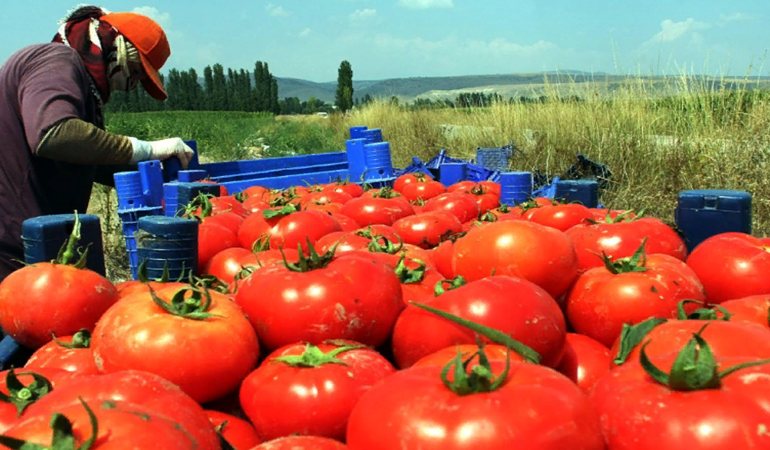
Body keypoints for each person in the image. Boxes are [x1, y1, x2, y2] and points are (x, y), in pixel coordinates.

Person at [0, 5, 194, 281]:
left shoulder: (78, 80)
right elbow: (55, 134)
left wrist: (153, 172)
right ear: (119, 48)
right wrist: (147, 149)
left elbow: (88, 158)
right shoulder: (56, 60)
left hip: (33, 236)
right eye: (136, 72)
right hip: (10, 241)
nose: (131, 85)